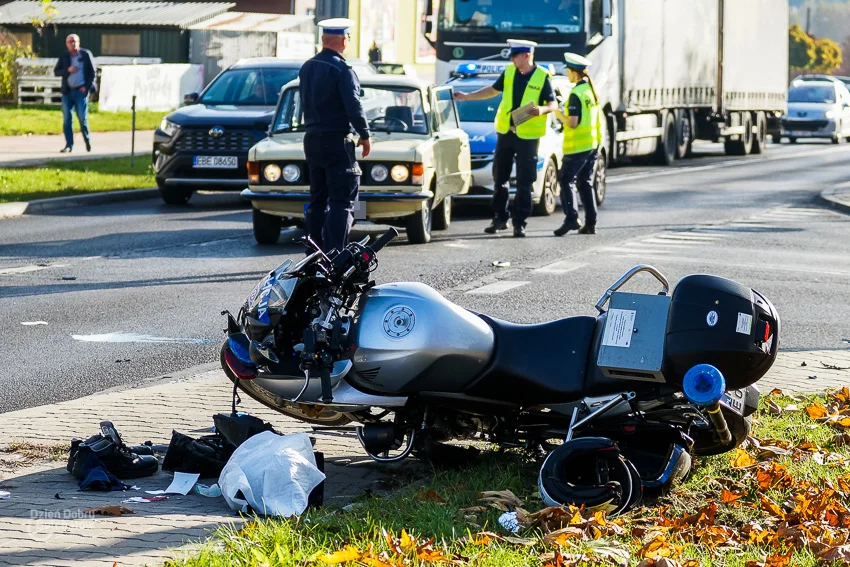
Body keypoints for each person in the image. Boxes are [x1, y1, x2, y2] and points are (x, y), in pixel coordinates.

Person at [453, 39, 557, 237]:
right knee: (500, 178)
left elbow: (553, 104)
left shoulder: (542, 76)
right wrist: (467, 96)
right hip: (506, 133)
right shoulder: (509, 72)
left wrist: (541, 110)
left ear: (527, 55)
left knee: (525, 181)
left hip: (528, 136)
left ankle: (520, 223)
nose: (511, 58)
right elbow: (492, 90)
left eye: (515, 55)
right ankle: (500, 218)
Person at [299, 18, 371, 253]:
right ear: (343, 40)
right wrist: (365, 133)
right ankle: (335, 254)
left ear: (323, 39)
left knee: (317, 199)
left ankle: (314, 254)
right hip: (336, 141)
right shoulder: (342, 69)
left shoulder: (307, 67)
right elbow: (353, 105)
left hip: (312, 139)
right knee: (342, 200)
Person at [554, 52, 602, 236]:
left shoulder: (576, 93)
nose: (567, 74)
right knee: (585, 182)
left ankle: (572, 218)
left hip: (577, 148)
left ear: (574, 72)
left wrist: (557, 113)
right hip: (591, 144)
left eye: (568, 70)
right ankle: (591, 222)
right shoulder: (590, 91)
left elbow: (572, 122)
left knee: (566, 180)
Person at [53, 34, 96, 153]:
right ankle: (69, 145)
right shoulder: (64, 56)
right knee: (67, 119)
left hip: (80, 92)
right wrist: (67, 70)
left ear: (78, 42)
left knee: (82, 118)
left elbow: (92, 73)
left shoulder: (85, 54)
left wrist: (86, 87)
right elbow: (56, 71)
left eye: (74, 41)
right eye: (69, 42)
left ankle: (87, 141)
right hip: (68, 92)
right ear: (66, 44)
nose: (72, 44)